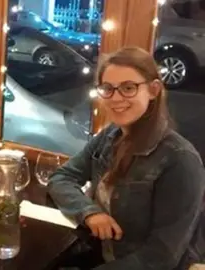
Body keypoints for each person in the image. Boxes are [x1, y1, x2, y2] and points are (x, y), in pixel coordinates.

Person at [48, 47, 205, 270]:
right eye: (107, 88)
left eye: (129, 88)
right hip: (100, 254)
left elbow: (160, 258)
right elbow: (61, 177)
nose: (116, 98)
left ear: (153, 90)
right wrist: (90, 213)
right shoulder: (110, 135)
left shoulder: (180, 160)